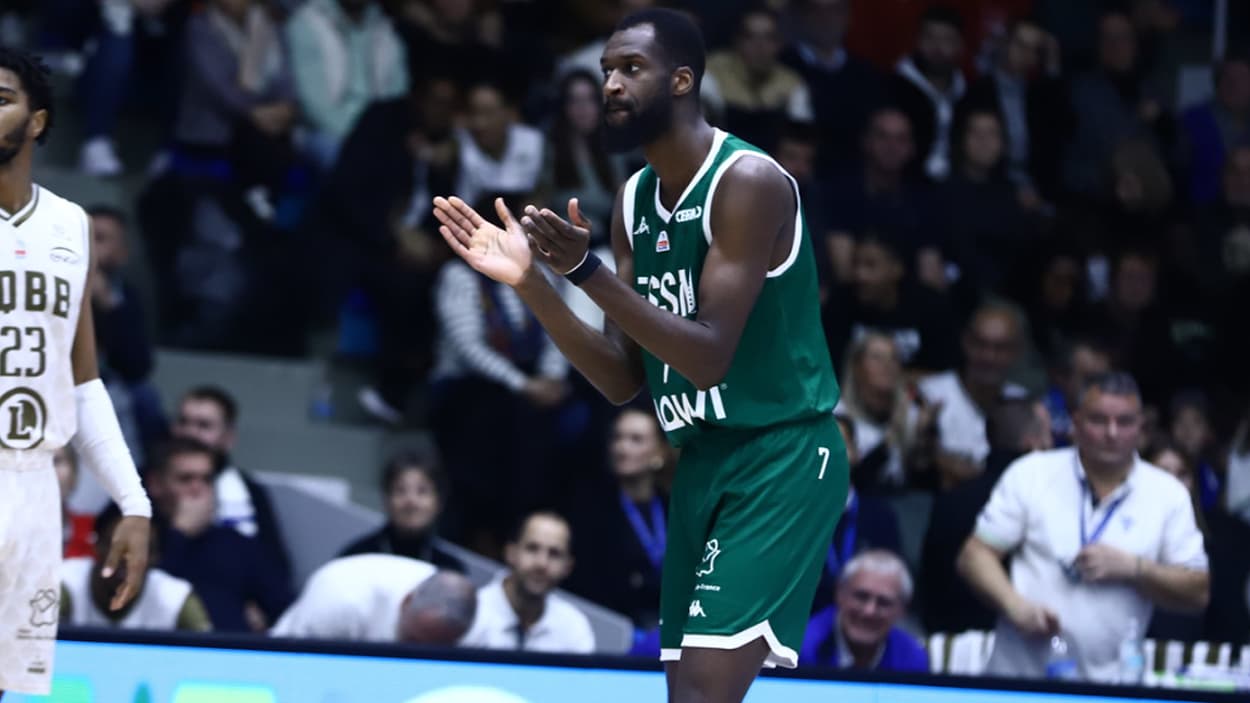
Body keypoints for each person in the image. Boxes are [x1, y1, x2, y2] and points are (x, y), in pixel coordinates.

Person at [432, 9, 847, 701]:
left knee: (702, 694)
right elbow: (623, 376)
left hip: (781, 454)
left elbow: (708, 358)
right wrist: (532, 283)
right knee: (684, 693)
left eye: (631, 68)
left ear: (682, 81)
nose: (611, 85)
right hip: (701, 458)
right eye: (605, 71)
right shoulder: (634, 199)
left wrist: (585, 272)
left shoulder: (748, 180)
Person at [0, 47, 151, 698]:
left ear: (36, 121)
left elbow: (82, 380)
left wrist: (134, 502)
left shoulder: (70, 224)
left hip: (34, 487)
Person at [958, 372, 1209, 682]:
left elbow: (1197, 590)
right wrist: (1014, 606)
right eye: (1099, 420)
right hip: (1019, 679)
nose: (1112, 433)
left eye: (1125, 422)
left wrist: (1135, 568)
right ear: (1075, 422)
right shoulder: (1032, 473)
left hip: (1111, 687)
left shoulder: (1168, 494)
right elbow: (974, 555)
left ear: (1141, 427)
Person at [172, 385, 292, 591]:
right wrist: (180, 532)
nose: (190, 433)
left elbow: (276, 569)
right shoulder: (143, 483)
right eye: (184, 422)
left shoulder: (250, 491)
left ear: (228, 438)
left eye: (204, 425)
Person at [461, 512, 594, 654]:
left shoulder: (574, 627)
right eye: (532, 548)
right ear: (511, 553)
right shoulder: (472, 615)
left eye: (554, 554)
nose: (542, 563)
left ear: (567, 567)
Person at [59, 508, 212, 632]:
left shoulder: (175, 599)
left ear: (155, 557)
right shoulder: (64, 582)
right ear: (97, 545)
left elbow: (209, 654)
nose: (127, 558)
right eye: (118, 547)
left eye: (141, 550)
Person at [270, 554, 476, 644]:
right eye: (414, 640)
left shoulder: (473, 623)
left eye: (437, 646)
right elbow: (294, 668)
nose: (422, 654)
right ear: (406, 602)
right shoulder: (342, 599)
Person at [338, 450, 466, 572]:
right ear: (386, 499)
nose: (411, 501)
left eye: (422, 491)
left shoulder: (450, 569)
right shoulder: (356, 558)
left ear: (439, 501)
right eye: (400, 490)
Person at [800, 550, 927, 672]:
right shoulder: (801, 649)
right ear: (840, 593)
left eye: (883, 602)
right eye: (861, 597)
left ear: (902, 609)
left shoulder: (913, 658)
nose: (869, 611)